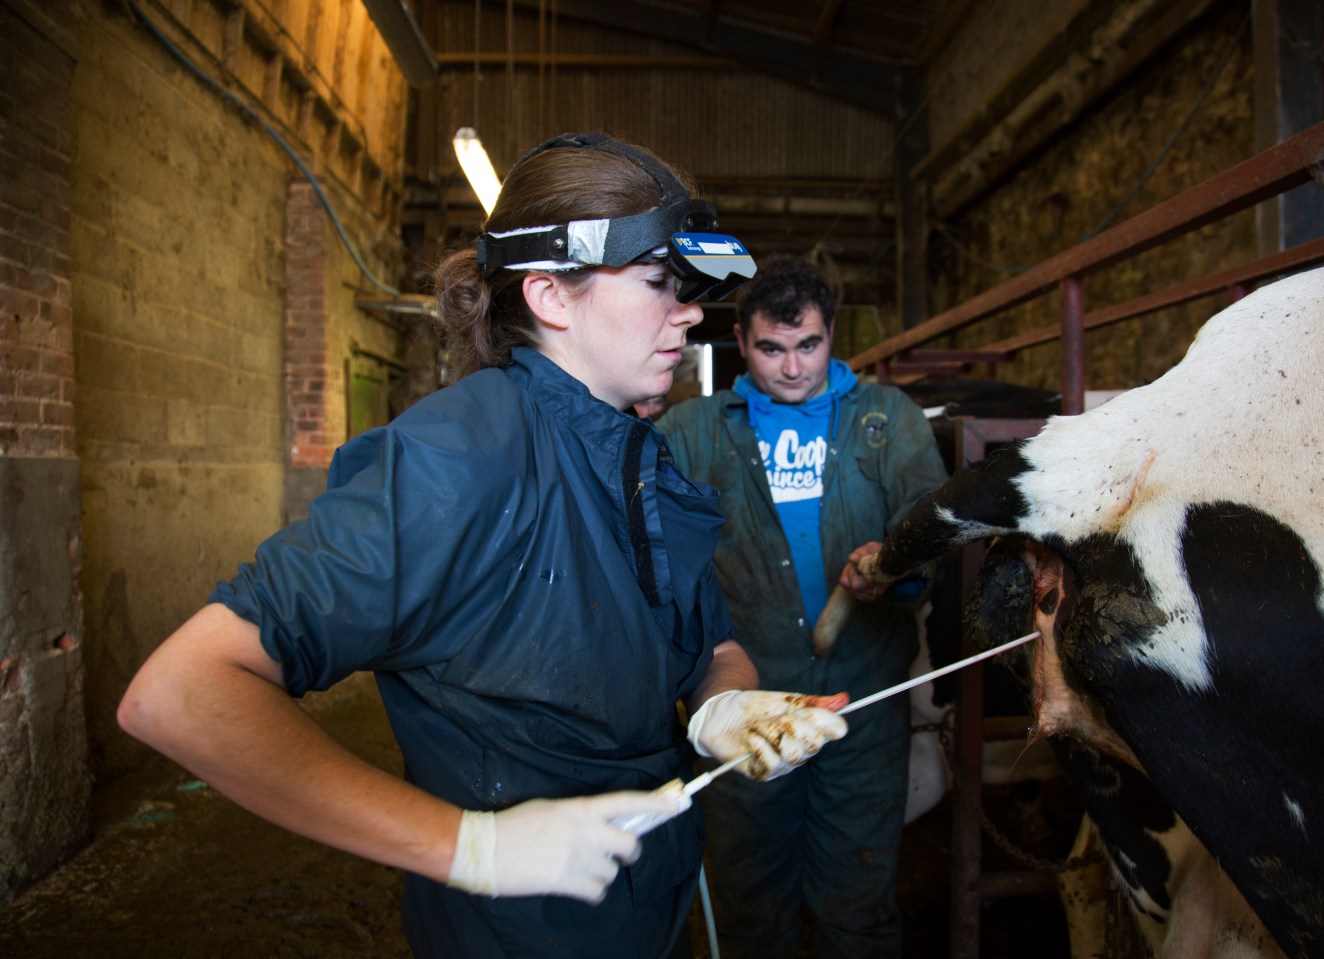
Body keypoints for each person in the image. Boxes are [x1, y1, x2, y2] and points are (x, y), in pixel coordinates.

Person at [116, 133, 849, 959]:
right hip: (515, 936)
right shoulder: (462, 455)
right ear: (550, 295)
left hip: (645, 909)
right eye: (657, 283)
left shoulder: (639, 456)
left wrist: (724, 704)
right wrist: (471, 846)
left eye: (683, 289)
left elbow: (710, 645)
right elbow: (182, 690)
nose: (687, 312)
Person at [660, 254, 948, 957]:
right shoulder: (691, 432)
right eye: (771, 349)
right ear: (740, 340)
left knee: (860, 896)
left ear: (831, 335)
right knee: (751, 896)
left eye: (809, 345)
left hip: (865, 699)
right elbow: (656, 556)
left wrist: (895, 561)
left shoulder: (889, 418)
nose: (792, 368)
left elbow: (931, 524)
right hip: (748, 703)